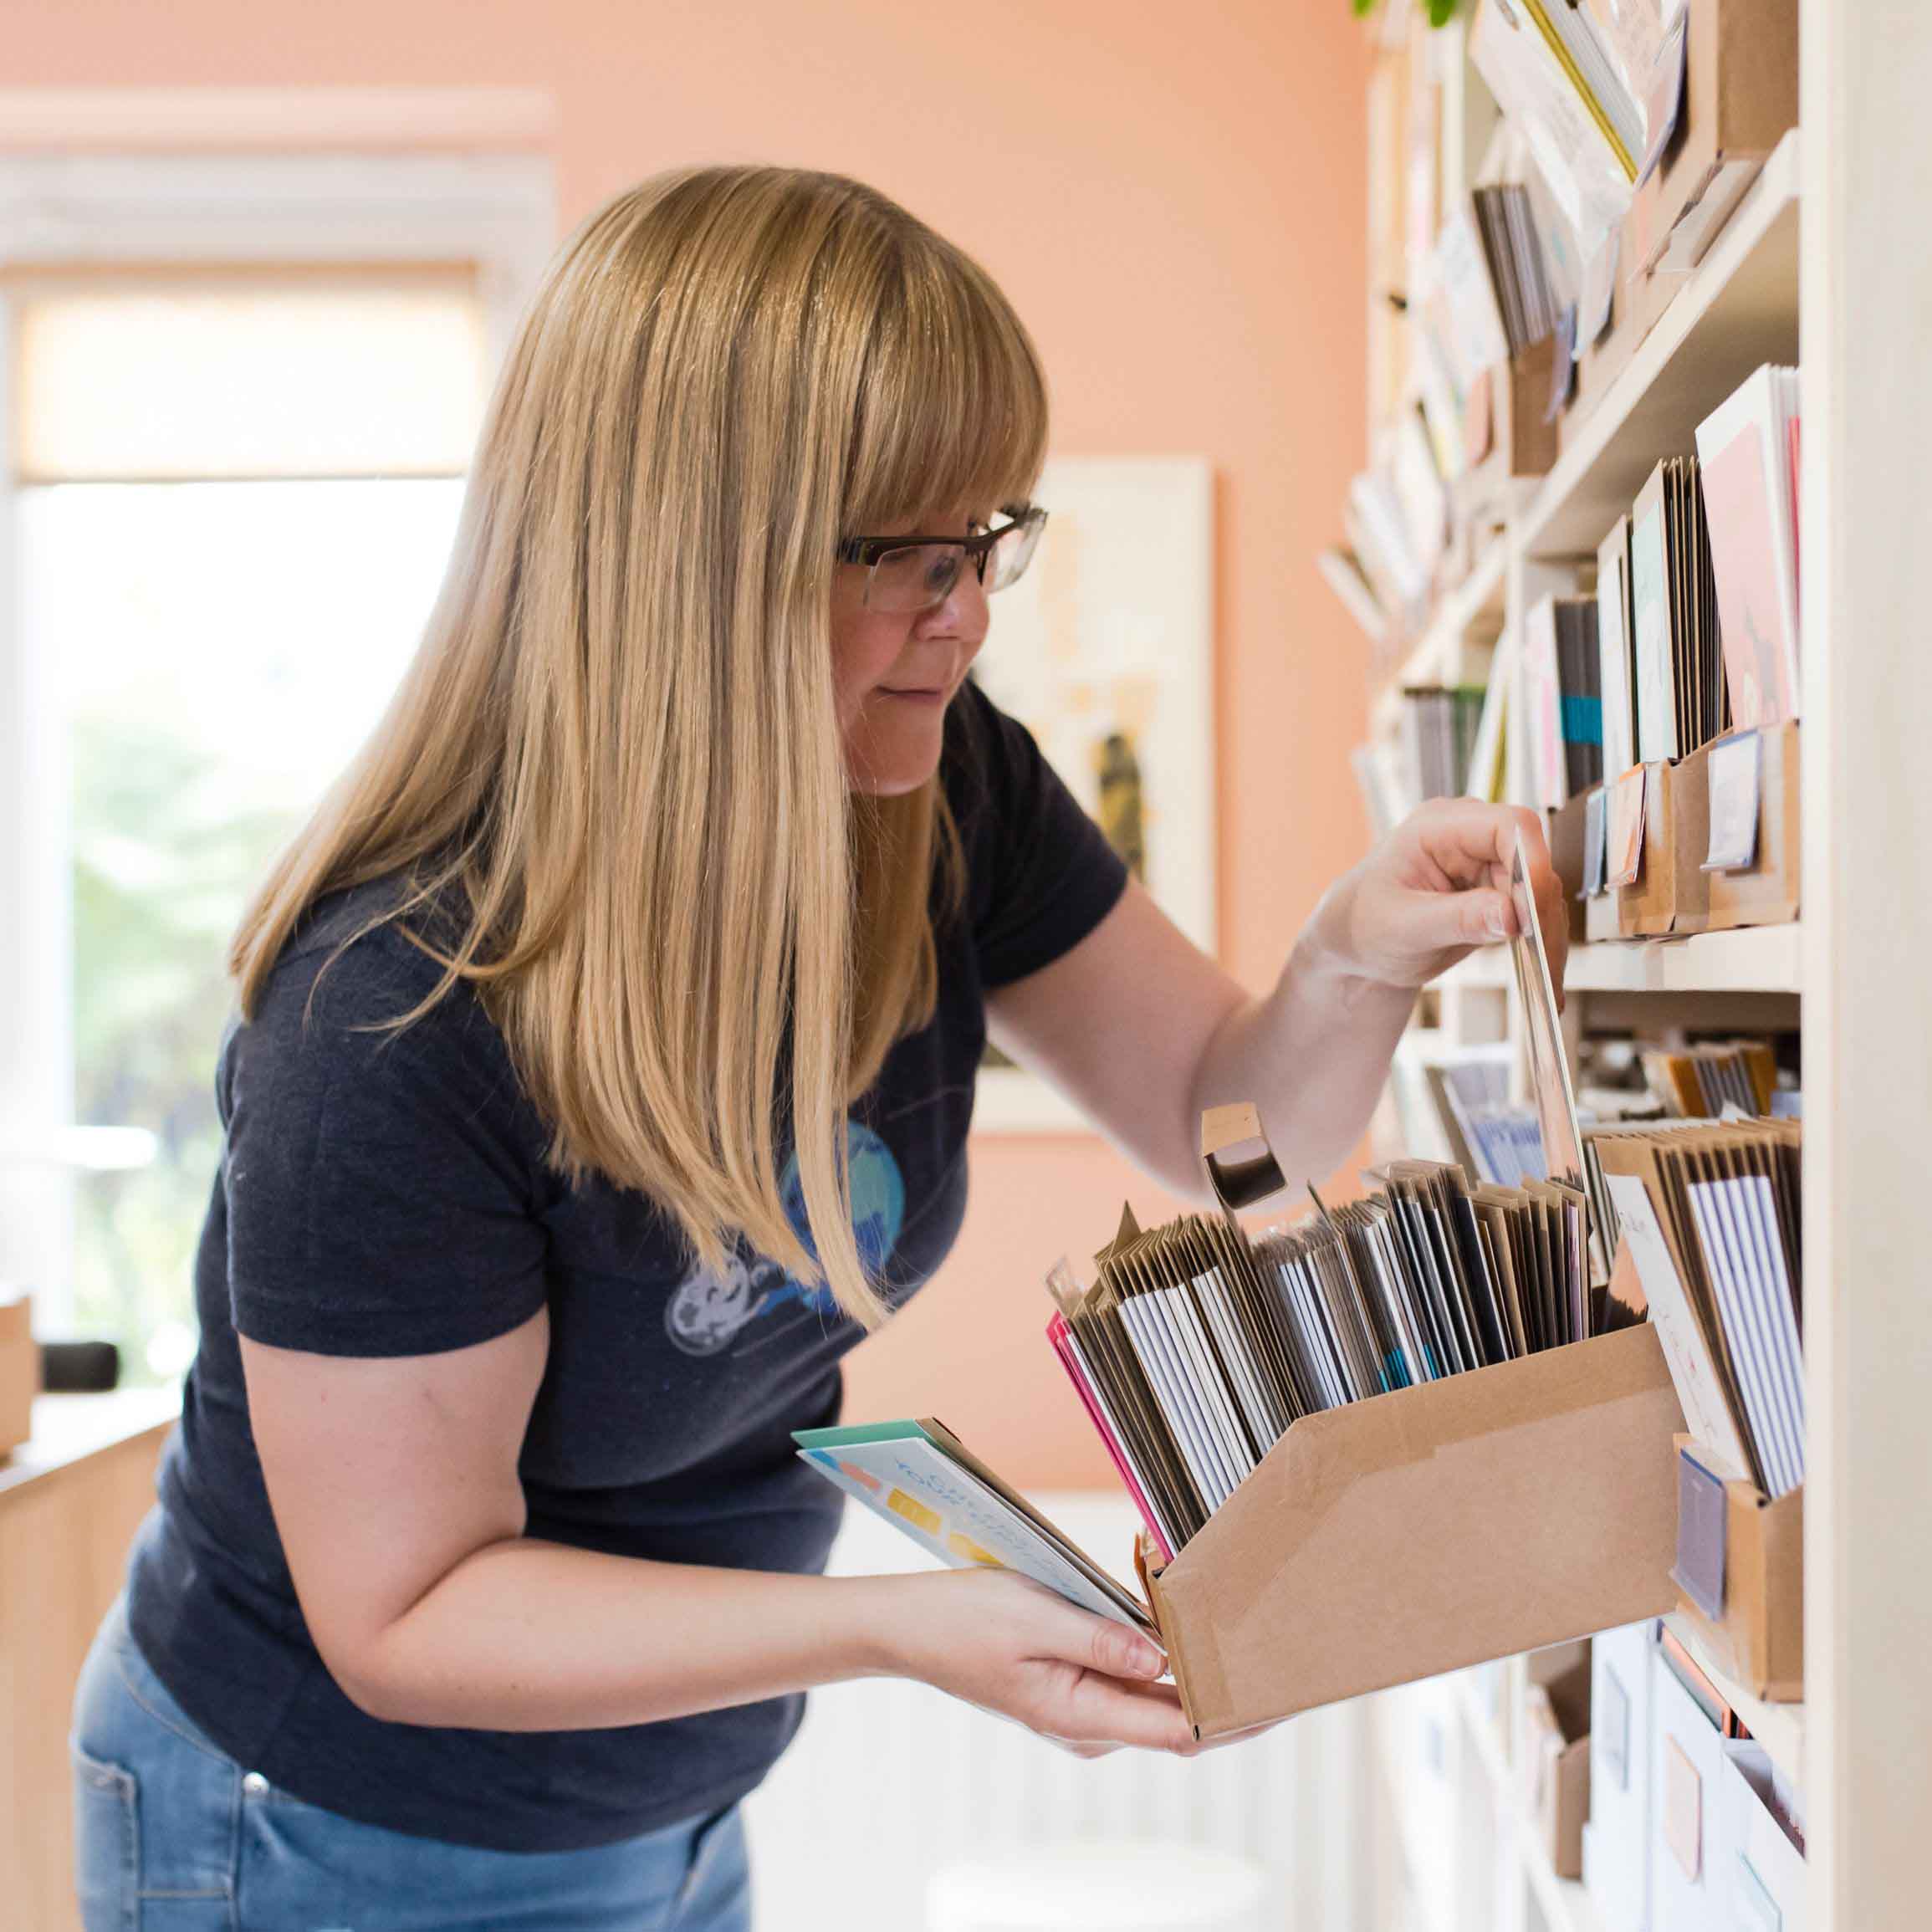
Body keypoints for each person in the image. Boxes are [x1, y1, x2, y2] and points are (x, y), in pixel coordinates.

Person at [69, 164, 1566, 1931]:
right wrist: (898, 1629)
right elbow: (407, 1614)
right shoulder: (388, 1012)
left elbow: (1213, 1120)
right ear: (694, 570)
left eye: (986, 542)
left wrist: (1351, 953)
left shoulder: (943, 784)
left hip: (671, 1790)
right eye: (911, 558)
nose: (972, 610)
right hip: (322, 1830)